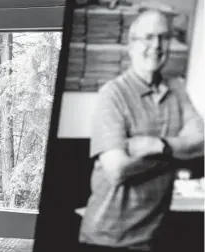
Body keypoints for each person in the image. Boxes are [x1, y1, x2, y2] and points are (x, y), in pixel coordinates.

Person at [78, 9, 204, 252]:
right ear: (131, 45)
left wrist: (158, 146)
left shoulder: (177, 88)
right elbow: (118, 169)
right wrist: (178, 156)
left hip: (154, 236)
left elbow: (203, 143)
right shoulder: (113, 94)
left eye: (163, 37)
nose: (156, 45)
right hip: (108, 238)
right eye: (148, 37)